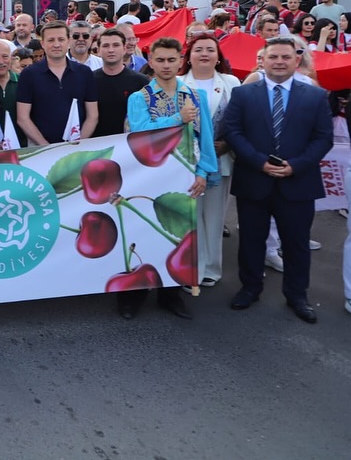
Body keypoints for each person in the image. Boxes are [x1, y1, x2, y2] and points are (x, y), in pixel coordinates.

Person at [222, 36, 333, 323]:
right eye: (273, 57)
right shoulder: (243, 94)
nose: (280, 62)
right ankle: (250, 288)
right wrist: (259, 162)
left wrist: (296, 166)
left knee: (296, 244)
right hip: (254, 180)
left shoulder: (316, 96)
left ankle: (297, 295)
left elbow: (323, 138)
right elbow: (233, 132)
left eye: (286, 57)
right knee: (251, 241)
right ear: (263, 61)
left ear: (297, 60)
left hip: (298, 182)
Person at [122, 37, 218, 320]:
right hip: (147, 176)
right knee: (142, 232)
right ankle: (133, 295)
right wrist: (177, 118)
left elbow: (206, 138)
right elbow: (140, 134)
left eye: (171, 60)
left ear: (180, 61)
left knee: (179, 235)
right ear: (150, 62)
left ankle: (171, 294)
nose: (166, 65)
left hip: (184, 176)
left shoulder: (195, 96)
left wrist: (203, 172)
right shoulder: (139, 98)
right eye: (160, 60)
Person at [178, 33, 240, 287]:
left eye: (210, 50)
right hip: (184, 163)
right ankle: (191, 269)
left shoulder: (231, 83)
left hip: (220, 161)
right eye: (198, 49)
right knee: (189, 219)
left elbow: (240, 120)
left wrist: (227, 144)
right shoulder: (177, 83)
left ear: (218, 57)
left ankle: (211, 269)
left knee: (214, 219)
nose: (204, 54)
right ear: (188, 57)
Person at [16, 22, 98, 145]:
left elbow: (93, 115)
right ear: (43, 44)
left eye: (61, 39)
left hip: (77, 148)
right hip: (41, 149)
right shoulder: (29, 74)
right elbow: (23, 118)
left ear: (68, 41)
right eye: (51, 40)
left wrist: (78, 143)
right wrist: (46, 147)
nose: (56, 44)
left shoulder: (84, 72)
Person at [93, 29, 149, 137]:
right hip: (96, 143)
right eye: (106, 46)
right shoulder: (89, 80)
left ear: (124, 49)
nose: (111, 50)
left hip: (130, 142)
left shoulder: (141, 81)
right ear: (98, 50)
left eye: (116, 45)